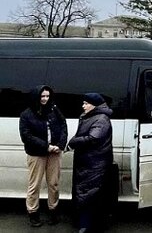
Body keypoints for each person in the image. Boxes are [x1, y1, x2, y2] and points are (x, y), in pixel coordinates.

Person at [19, 85, 67, 228]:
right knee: (35, 185)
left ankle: (53, 211)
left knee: (54, 184)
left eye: (47, 96)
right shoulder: (26, 114)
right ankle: (33, 213)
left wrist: (60, 144)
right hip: (37, 154)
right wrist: (46, 146)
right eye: (42, 96)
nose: (45, 99)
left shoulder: (54, 109)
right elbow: (26, 136)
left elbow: (63, 125)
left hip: (55, 153)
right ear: (36, 97)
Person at [67, 92, 113, 233]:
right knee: (85, 192)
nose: (83, 106)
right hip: (87, 161)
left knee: (90, 193)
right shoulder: (89, 116)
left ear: (94, 105)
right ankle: (84, 223)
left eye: (86, 103)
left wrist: (73, 142)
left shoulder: (101, 119)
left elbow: (93, 138)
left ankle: (87, 225)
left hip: (95, 163)